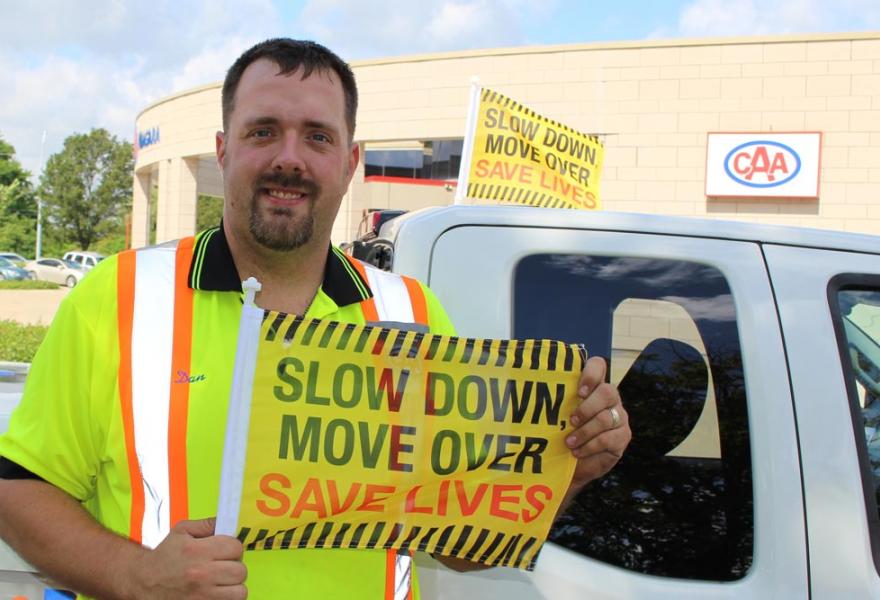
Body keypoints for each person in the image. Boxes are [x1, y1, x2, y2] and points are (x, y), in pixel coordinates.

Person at [0, 39, 631, 599]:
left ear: (350, 161)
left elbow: (457, 548)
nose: (290, 158)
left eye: (318, 137)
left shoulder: (410, 314)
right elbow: (16, 489)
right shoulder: (122, 296)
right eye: (263, 131)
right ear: (223, 151)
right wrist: (136, 577)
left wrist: (567, 469)